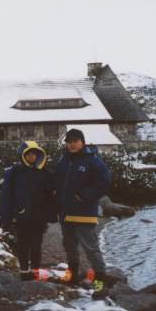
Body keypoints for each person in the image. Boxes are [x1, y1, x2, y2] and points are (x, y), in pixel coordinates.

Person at [54, 128, 111, 300]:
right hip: (66, 214)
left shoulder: (93, 161)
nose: (72, 144)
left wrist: (82, 196)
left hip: (84, 213)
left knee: (91, 249)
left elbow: (103, 183)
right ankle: (72, 277)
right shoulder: (62, 161)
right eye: (69, 141)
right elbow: (57, 184)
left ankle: (101, 285)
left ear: (82, 142)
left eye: (75, 141)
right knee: (69, 246)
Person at [0, 141, 54, 281]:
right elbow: (7, 194)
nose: (31, 157)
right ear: (23, 155)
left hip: (38, 215)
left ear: (38, 155)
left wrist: (51, 212)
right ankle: (24, 272)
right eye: (28, 154)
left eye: (34, 154)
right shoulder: (15, 171)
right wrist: (6, 216)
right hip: (21, 215)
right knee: (23, 244)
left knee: (36, 245)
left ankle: (35, 272)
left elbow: (52, 193)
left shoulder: (45, 172)